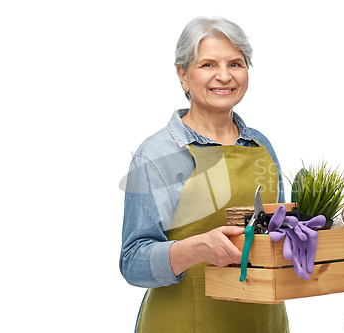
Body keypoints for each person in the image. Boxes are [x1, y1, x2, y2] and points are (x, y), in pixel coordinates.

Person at [120, 16, 289, 332]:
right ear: (183, 76)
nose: (224, 76)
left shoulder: (261, 145)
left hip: (263, 323)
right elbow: (132, 262)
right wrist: (195, 249)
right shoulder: (157, 155)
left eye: (235, 64)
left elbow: (277, 234)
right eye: (208, 64)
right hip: (182, 322)